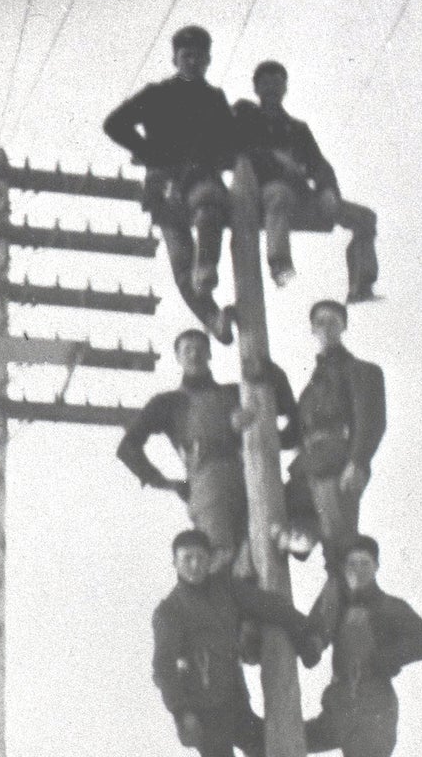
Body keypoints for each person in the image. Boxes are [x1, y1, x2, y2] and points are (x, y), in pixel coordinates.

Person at [152, 527, 318, 757]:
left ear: (210, 560)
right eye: (187, 559)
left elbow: (269, 605)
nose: (195, 565)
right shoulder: (169, 611)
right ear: (175, 562)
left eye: (201, 558)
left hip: (232, 701)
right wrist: (181, 712)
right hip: (202, 712)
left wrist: (304, 630)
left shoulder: (225, 589)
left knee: (273, 749)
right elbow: (163, 668)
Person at [117, 329, 298, 562]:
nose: (194, 354)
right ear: (178, 357)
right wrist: (168, 483)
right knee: (218, 555)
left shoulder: (237, 393)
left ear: (210, 354)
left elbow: (287, 408)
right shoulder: (169, 402)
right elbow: (128, 448)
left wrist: (265, 366)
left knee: (261, 555)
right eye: (187, 350)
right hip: (208, 482)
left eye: (200, 349)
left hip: (252, 476)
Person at [104, 26, 237, 336]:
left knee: (209, 204)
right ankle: (213, 319)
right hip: (164, 184)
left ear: (208, 61)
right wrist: (148, 151)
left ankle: (206, 268)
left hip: (200, 177)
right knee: (180, 262)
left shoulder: (214, 99)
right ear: (175, 59)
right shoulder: (156, 95)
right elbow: (114, 124)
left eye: (199, 57)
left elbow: (230, 143)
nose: (192, 62)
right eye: (186, 56)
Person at [304, 537, 422, 757]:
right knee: (281, 742)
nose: (358, 570)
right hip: (339, 706)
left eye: (365, 563)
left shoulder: (389, 607)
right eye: (351, 564)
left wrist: (386, 659)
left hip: (373, 709)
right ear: (343, 568)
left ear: (377, 566)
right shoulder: (336, 604)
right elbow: (312, 633)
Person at [231, 61, 378, 303]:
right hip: (262, 191)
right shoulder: (246, 118)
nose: (272, 89)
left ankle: (361, 284)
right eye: (265, 83)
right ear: (256, 88)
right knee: (279, 194)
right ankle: (280, 263)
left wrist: (328, 190)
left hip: (301, 194)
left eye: (277, 83)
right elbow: (240, 149)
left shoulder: (297, 129)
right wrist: (279, 162)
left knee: (365, 218)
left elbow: (319, 164)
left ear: (284, 88)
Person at [283, 301, 386, 562]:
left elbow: (371, 421)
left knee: (338, 547)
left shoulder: (359, 371)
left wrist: (357, 461)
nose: (326, 328)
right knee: (283, 529)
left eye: (333, 322)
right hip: (307, 467)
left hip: (337, 465)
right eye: (320, 322)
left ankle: (346, 598)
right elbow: (293, 434)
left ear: (344, 327)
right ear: (312, 330)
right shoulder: (311, 388)